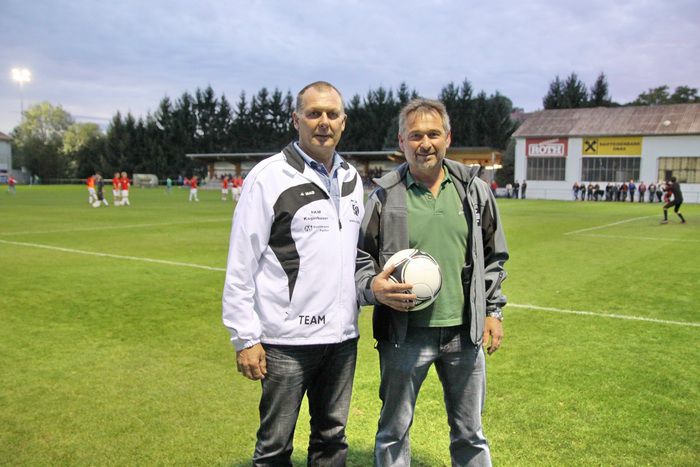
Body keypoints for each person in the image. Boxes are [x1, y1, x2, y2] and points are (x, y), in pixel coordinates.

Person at [356, 98, 508, 466]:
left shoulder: (474, 190)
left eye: (433, 134)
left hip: (464, 334)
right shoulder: (384, 195)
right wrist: (373, 287)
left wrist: (493, 311)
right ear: (401, 141)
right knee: (393, 431)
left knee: (470, 433)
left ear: (447, 138)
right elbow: (360, 259)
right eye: (415, 135)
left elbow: (493, 255)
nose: (425, 143)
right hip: (404, 335)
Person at [221, 81, 365, 466]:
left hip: (341, 338)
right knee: (274, 447)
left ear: (343, 121)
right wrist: (245, 338)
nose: (324, 122)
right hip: (286, 341)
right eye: (314, 113)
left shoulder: (353, 179)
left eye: (332, 114)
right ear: (296, 119)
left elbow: (355, 257)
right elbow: (240, 263)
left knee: (332, 439)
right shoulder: (268, 176)